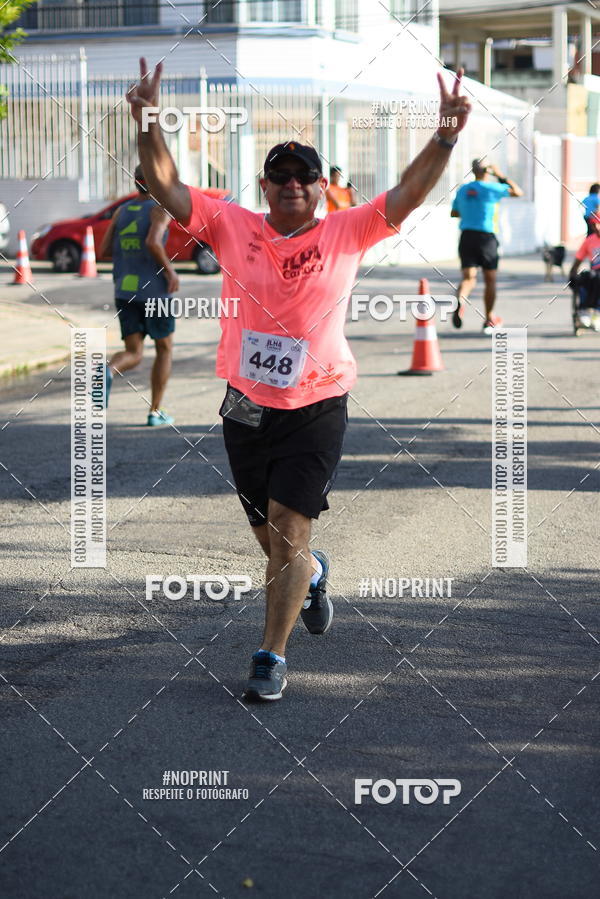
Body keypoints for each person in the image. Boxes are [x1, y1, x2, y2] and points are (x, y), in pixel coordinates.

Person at [127, 57, 471, 701]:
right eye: (281, 176)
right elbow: (164, 179)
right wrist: (147, 118)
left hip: (317, 402)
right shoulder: (231, 225)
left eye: (304, 176)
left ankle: (270, 655)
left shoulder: (348, 230)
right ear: (264, 186)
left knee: (289, 529)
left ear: (319, 187)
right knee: (269, 539)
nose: (293, 184)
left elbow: (409, 190)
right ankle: (311, 575)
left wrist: (446, 136)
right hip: (245, 405)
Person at [99, 163, 179, 425]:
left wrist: (129, 255)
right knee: (164, 349)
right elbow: (153, 243)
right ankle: (155, 412)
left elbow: (104, 250)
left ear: (136, 182)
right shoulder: (160, 210)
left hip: (125, 289)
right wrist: (170, 272)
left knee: (133, 352)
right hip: (155, 293)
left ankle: (108, 371)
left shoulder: (121, 211)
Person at [451, 158, 523, 334]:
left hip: (467, 236)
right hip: (486, 238)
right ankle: (489, 317)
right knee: (490, 279)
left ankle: (460, 299)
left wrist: (470, 209)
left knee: (468, 278)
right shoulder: (492, 188)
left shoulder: (463, 190)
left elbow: (454, 212)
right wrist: (500, 175)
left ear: (473, 170)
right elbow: (518, 192)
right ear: (487, 172)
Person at [569, 210, 600, 330]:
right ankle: (584, 311)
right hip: (594, 272)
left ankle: (597, 312)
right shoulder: (589, 240)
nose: (596, 227)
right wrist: (572, 273)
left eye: (598, 224)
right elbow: (578, 259)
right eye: (594, 224)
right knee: (584, 278)